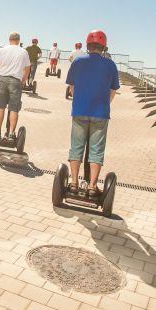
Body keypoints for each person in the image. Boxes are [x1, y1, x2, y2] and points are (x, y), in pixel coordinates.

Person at [65, 30, 119, 195]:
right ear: (104, 47)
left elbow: (72, 87)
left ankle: (73, 183)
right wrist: (103, 103)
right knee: (96, 150)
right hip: (100, 113)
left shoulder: (78, 61)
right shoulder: (110, 65)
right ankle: (92, 187)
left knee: (76, 147)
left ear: (87, 45)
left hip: (79, 110)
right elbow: (113, 91)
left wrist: (81, 100)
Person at [0, 32, 30, 141]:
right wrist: (23, 80)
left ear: (9, 39)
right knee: (14, 109)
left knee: (0, 107)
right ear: (18, 40)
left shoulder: (2, 50)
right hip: (16, 81)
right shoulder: (24, 52)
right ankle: (12, 134)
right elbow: (27, 69)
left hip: (2, 80)